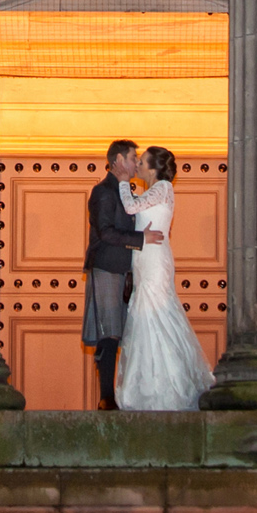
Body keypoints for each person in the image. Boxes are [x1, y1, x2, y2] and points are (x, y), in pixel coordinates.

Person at [113, 145, 213, 411]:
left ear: (155, 169)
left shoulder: (164, 188)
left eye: (143, 163)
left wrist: (123, 182)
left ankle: (167, 392)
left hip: (155, 263)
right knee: (145, 318)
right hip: (145, 260)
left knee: (155, 315)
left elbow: (132, 207)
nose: (138, 167)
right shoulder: (153, 191)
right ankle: (147, 388)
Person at [83, 140, 147, 410]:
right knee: (109, 334)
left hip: (123, 271)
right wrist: (141, 240)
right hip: (108, 268)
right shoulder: (103, 192)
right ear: (119, 159)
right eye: (134, 158)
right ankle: (107, 398)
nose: (136, 163)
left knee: (122, 333)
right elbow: (107, 232)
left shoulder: (124, 190)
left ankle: (120, 395)